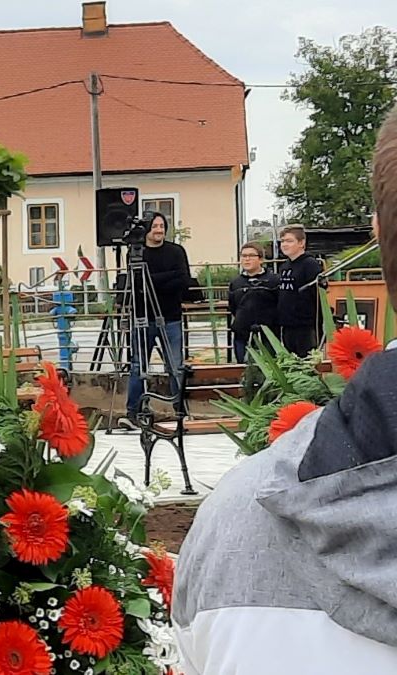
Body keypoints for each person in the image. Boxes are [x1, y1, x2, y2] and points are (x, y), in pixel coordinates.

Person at [172, 107, 397, 672]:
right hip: (249, 334)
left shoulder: (232, 524)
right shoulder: (236, 516)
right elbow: (241, 305)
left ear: (379, 232)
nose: (256, 260)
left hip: (295, 329)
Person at [120, 212, 192, 429]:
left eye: (162, 225)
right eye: (155, 226)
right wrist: (165, 278)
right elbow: (136, 281)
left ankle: (181, 411)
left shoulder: (176, 251)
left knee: (175, 366)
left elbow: (183, 279)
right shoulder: (136, 252)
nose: (159, 230)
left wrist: (153, 279)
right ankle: (134, 411)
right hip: (142, 316)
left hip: (170, 316)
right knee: (137, 366)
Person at [227, 241, 280, 363]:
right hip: (242, 334)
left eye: (251, 255)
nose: (247, 259)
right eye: (244, 256)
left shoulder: (274, 280)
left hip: (268, 335)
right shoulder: (236, 283)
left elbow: (280, 305)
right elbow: (233, 307)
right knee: (243, 368)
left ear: (261, 259)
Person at [275, 226, 324, 357]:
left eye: (289, 241)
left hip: (305, 326)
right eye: (283, 241)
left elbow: (318, 294)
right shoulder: (284, 267)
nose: (284, 244)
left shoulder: (310, 265)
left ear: (301, 243)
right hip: (287, 324)